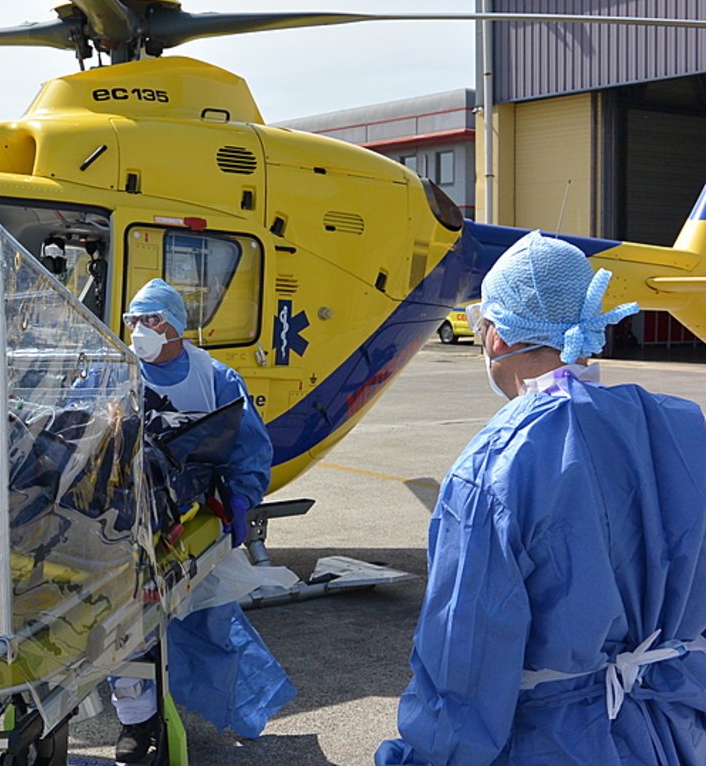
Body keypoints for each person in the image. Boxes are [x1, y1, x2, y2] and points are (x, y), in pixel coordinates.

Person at [377, 230, 706, 765]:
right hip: (670, 729)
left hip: (556, 742)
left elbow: (465, 658)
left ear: (498, 337)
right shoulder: (680, 426)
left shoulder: (497, 464)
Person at [110, 278, 296, 762]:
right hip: (126, 524)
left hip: (192, 520)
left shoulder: (214, 378)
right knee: (125, 630)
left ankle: (236, 704)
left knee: (208, 624)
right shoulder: (119, 374)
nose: (140, 331)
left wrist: (240, 500)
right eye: (133, 321)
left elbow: (249, 449)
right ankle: (136, 722)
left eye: (151, 320)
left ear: (175, 325)